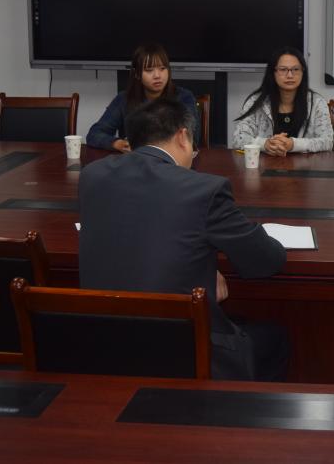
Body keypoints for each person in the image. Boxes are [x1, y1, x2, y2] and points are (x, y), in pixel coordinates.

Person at [78, 98, 289, 381]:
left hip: (103, 346)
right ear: (182, 136)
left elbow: (138, 226)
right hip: (181, 351)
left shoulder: (92, 176)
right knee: (275, 337)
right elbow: (265, 261)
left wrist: (200, 264)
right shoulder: (204, 189)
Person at [86, 43, 200, 151]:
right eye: (149, 70)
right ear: (137, 74)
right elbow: (94, 134)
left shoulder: (183, 97)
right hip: (136, 160)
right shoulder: (124, 99)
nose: (157, 75)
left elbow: (192, 137)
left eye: (162, 68)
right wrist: (119, 144)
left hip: (172, 160)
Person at [231, 47, 333, 155]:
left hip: (305, 164)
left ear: (303, 72)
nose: (290, 75)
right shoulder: (256, 102)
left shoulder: (317, 103)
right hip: (265, 164)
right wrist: (265, 144)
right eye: (283, 69)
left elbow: (327, 142)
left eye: (295, 69)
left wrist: (293, 144)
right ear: (273, 72)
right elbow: (238, 139)